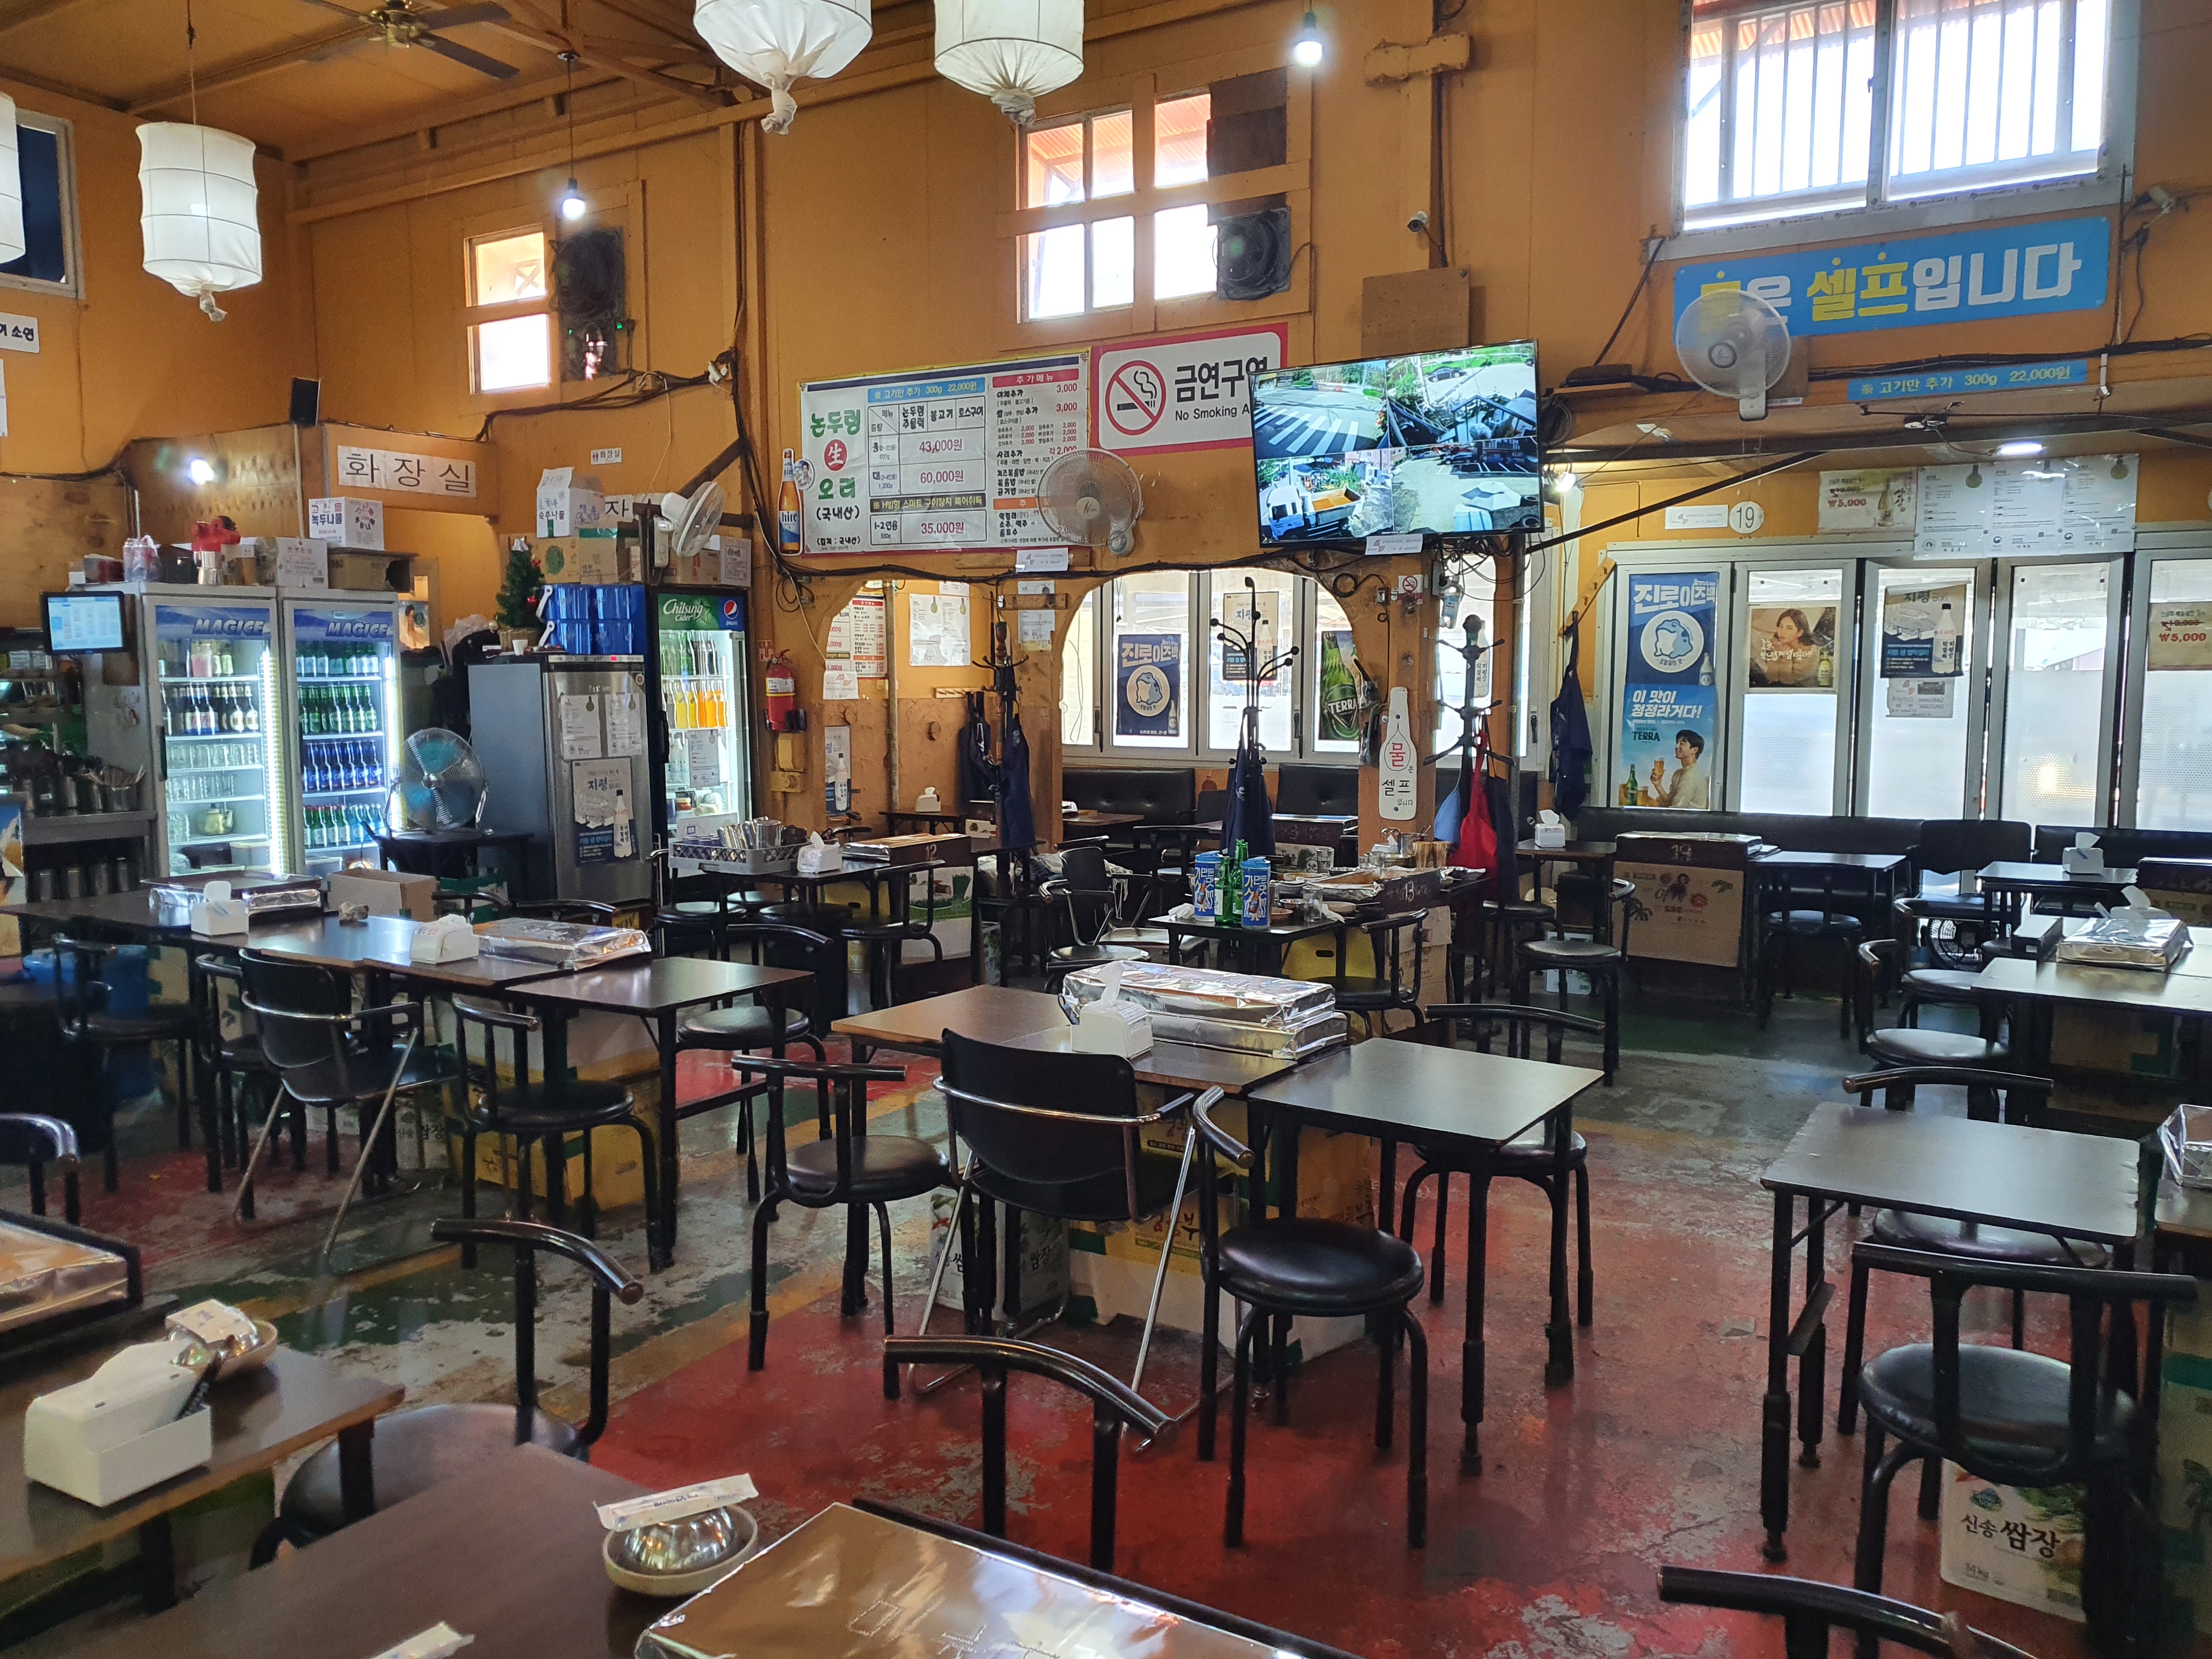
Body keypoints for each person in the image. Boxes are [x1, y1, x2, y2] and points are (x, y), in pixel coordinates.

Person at [1752, 607, 1820, 687]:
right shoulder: (1779, 643)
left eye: (1789, 628)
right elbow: (1772, 677)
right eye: (1781, 626)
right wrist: (1776, 653)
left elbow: (1787, 681)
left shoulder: (1809, 651)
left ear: (1799, 633)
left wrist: (1786, 656)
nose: (1782, 632)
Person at [1646, 729, 1710, 809]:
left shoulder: (1692, 776)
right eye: (1677, 743)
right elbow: (1669, 800)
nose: (1677, 747)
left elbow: (1677, 808)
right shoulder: (1679, 773)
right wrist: (1658, 785)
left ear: (1694, 750)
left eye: (1682, 744)